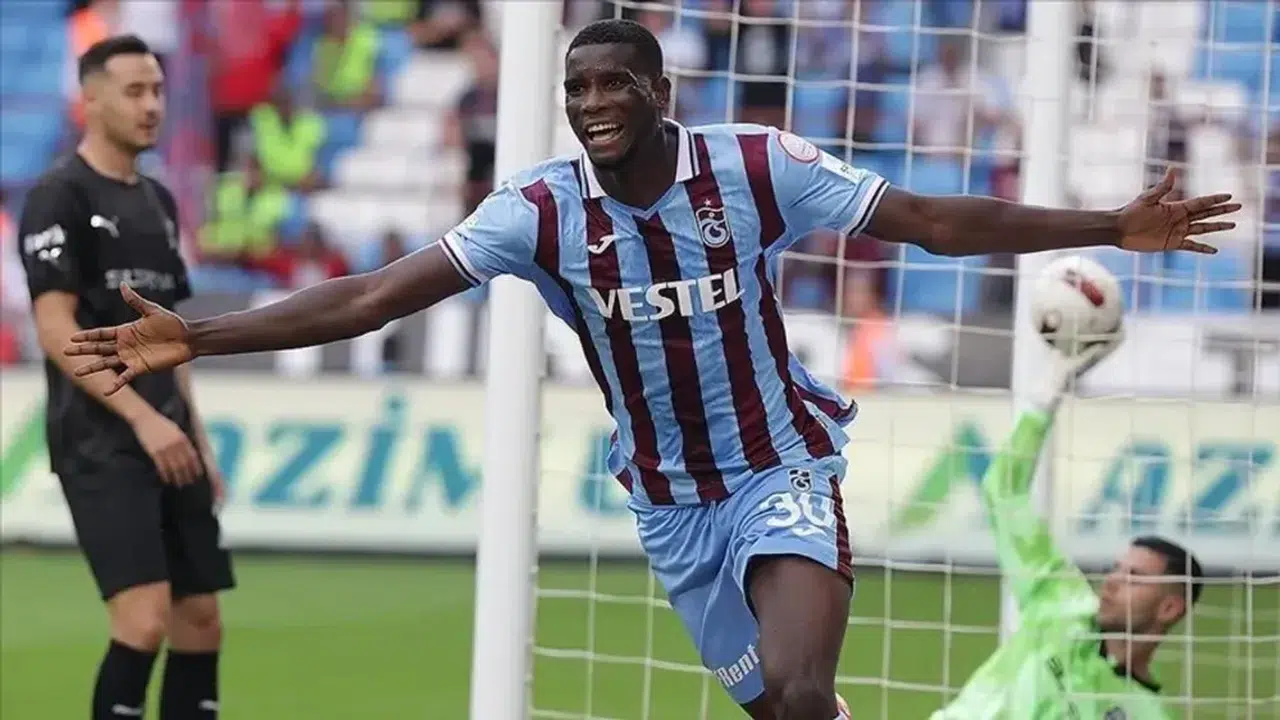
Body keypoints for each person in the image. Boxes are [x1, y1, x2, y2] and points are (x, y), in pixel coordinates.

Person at [63, 20, 1237, 720]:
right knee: (783, 711)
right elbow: (373, 297)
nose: (590, 105)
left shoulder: (757, 166)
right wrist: (203, 333)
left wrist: (1107, 225)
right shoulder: (537, 210)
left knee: (795, 688)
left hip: (778, 470)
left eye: (611, 84)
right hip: (670, 512)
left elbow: (929, 221)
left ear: (659, 93)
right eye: (575, 89)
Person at [18, 35, 232, 720]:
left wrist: (195, 437)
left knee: (201, 620)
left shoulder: (160, 203)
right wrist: (144, 421)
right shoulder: (58, 197)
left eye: (158, 91)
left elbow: (173, 341)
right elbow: (55, 327)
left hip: (171, 436)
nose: (151, 105)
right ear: (90, 100)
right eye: (134, 91)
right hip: (102, 440)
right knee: (143, 619)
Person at [932, 328, 1202, 719]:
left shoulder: (1148, 714)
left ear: (1169, 607)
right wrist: (1048, 392)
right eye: (1116, 569)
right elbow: (1003, 492)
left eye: (1135, 577)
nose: (1112, 582)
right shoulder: (1063, 603)